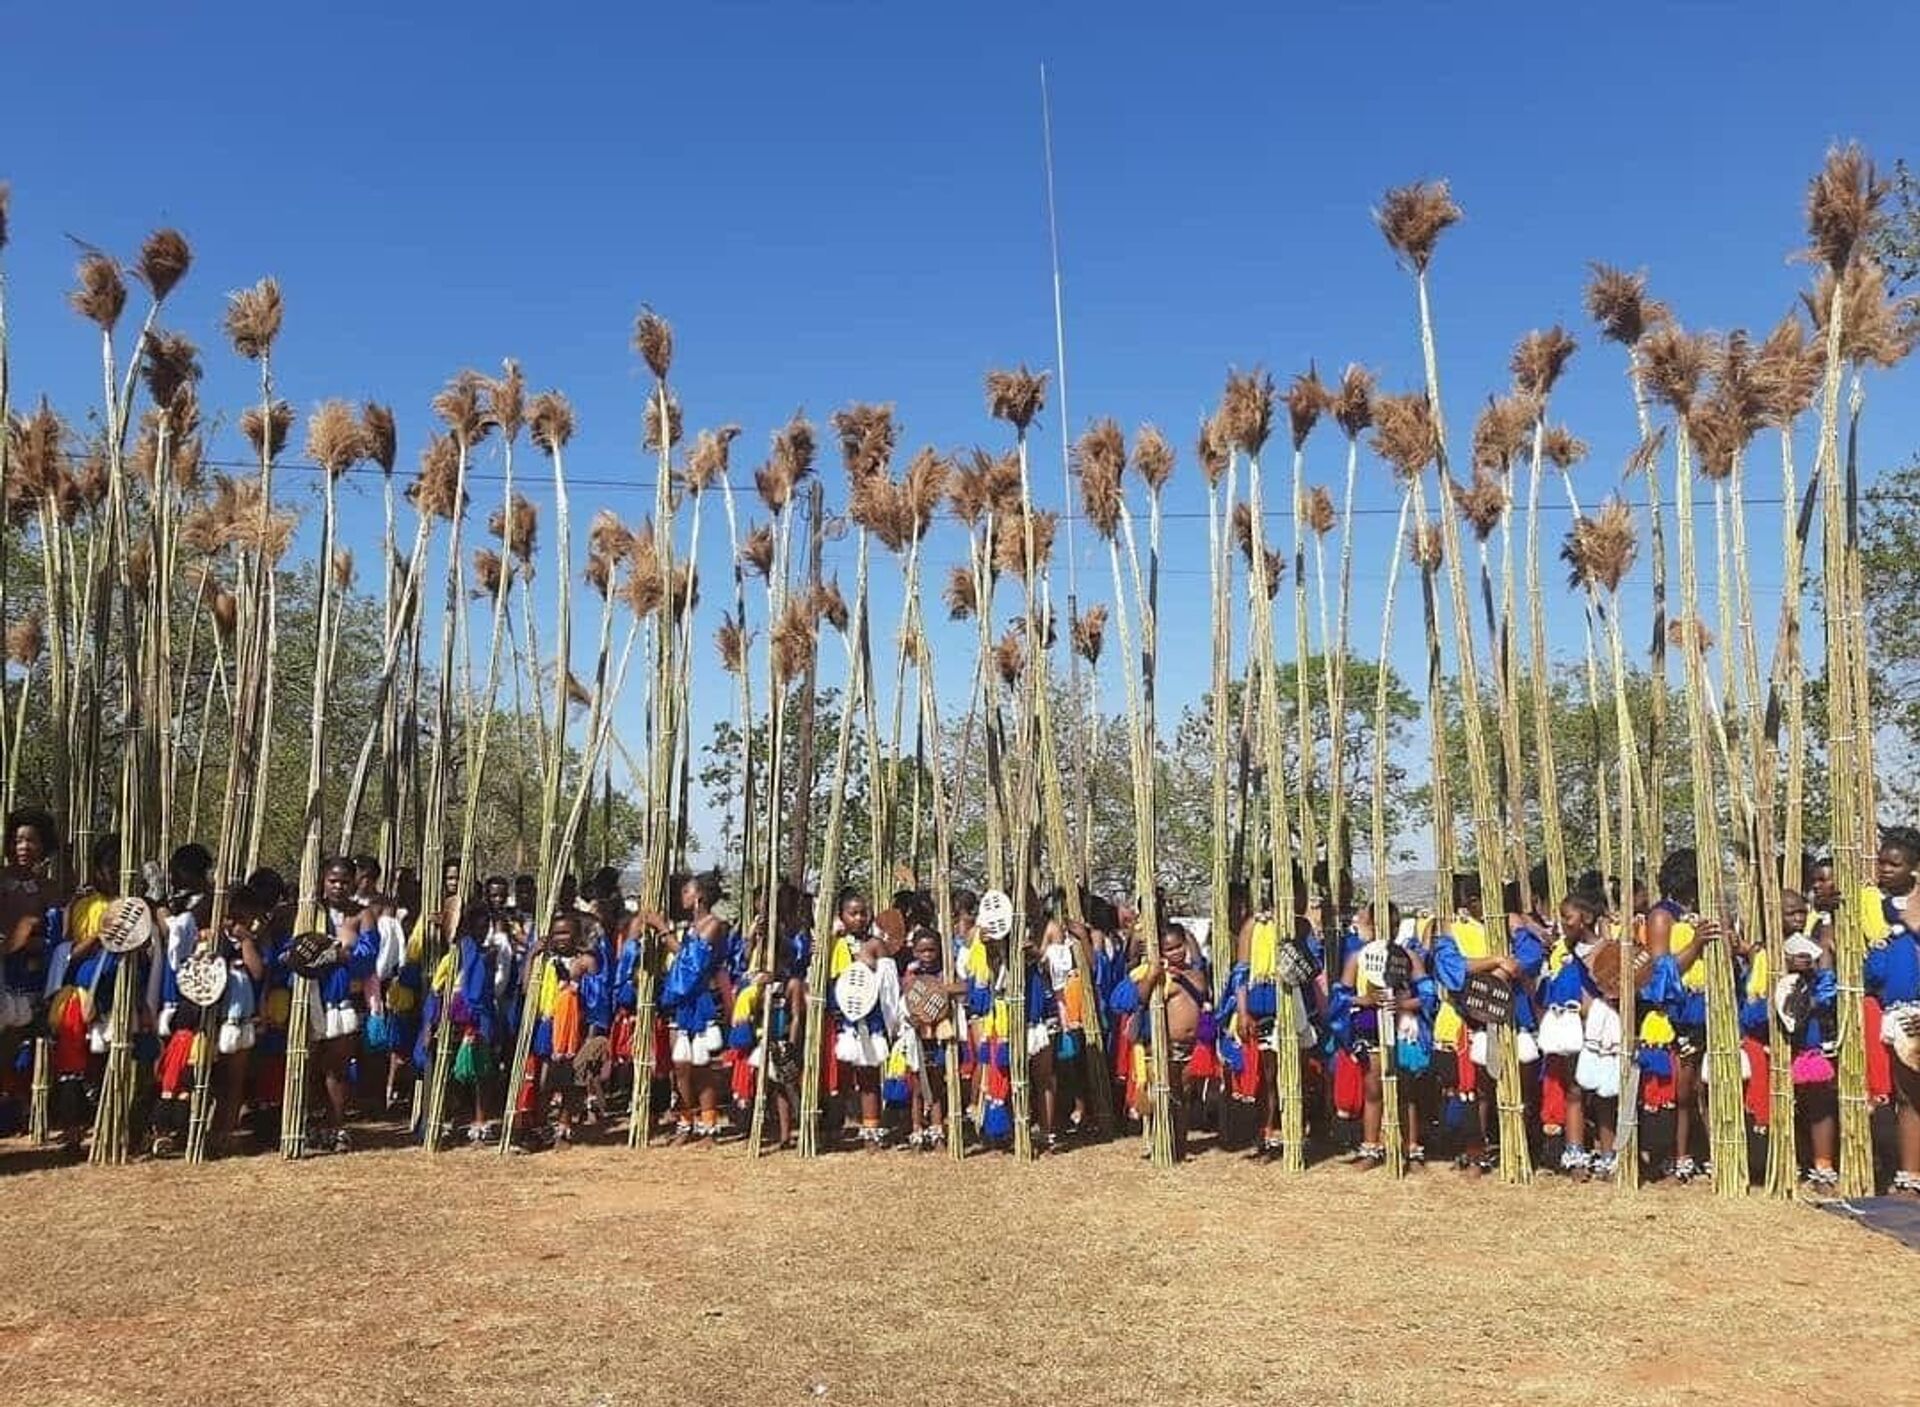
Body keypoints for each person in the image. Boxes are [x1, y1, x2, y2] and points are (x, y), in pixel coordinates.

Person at [1642, 849, 1714, 1183]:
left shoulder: (1700, 912)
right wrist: (1696, 944)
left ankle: (1704, 1151)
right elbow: (1661, 972)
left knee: (1702, 1087)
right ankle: (1676, 1156)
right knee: (1679, 1091)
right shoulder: (1662, 916)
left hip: (1707, 1012)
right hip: (1675, 1014)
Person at [1115, 923, 1214, 1162]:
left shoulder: (1196, 973)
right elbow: (1138, 999)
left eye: (1179, 946)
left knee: (1184, 1098)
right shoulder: (1158, 978)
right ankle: (1164, 1145)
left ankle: (1180, 1146)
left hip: (1192, 1048)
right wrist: (1152, 977)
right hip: (1166, 1048)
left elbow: (1202, 993)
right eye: (1169, 949)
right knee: (1166, 1097)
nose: (1176, 952)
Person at [646, 872, 729, 1144]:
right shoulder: (689, 926)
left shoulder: (713, 925)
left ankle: (708, 1124)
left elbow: (692, 964)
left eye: (686, 892)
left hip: (701, 1003)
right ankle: (685, 1120)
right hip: (680, 1005)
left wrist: (662, 929)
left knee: (702, 1066)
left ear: (699, 896)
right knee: (679, 1067)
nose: (682, 897)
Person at [309, 857, 380, 1152]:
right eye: (332, 880)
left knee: (336, 1068)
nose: (338, 886)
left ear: (354, 883)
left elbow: (368, 957)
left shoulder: (362, 915)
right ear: (323, 881)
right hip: (310, 997)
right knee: (308, 1064)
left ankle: (337, 1126)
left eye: (344, 881)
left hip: (341, 1002)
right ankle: (310, 1124)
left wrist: (342, 956)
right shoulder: (308, 911)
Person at [1865, 828, 1920, 1197]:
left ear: (1914, 869)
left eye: (1894, 864)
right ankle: (1909, 1176)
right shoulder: (1870, 908)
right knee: (1907, 1096)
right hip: (1894, 1013)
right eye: (1881, 863)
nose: (1884, 869)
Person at [830, 886, 901, 1150]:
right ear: (841, 916)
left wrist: (891, 1022)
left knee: (869, 1075)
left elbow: (888, 987)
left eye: (863, 913)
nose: (859, 918)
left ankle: (871, 1129)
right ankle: (836, 1125)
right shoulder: (832, 944)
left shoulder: (875, 945)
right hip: (842, 1019)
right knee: (842, 1076)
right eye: (853, 913)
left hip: (870, 1021)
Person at [897, 927, 966, 1151]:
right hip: (916, 1035)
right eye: (922, 950)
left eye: (931, 950)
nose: (927, 955)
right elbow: (905, 1004)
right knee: (917, 1086)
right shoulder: (910, 978)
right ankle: (917, 1129)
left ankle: (937, 1130)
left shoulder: (945, 972)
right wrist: (913, 1019)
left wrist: (943, 990)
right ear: (914, 952)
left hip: (939, 1035)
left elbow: (965, 987)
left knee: (936, 1083)